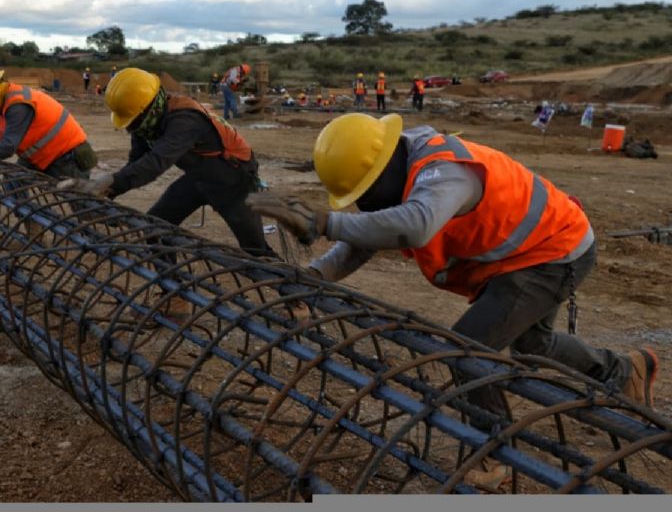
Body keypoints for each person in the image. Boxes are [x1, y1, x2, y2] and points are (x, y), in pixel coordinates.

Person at [248, 112, 660, 435]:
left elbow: (416, 224)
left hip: (553, 251)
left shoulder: (444, 172)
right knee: (534, 346)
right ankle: (623, 370)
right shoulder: (402, 172)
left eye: (368, 192)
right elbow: (365, 238)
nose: (367, 205)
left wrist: (324, 223)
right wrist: (315, 276)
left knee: (469, 348)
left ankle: (493, 444)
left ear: (388, 161)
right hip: (523, 253)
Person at [58, 67, 274, 259]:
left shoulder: (185, 120)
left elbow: (155, 163)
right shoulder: (144, 124)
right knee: (156, 230)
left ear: (149, 107)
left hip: (233, 180)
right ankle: (176, 298)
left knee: (255, 251)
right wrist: (104, 191)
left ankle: (297, 300)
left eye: (134, 121)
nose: (131, 128)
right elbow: (137, 163)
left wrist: (106, 183)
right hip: (198, 178)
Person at [0, 67, 95, 180]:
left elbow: (7, 148)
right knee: (13, 180)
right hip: (46, 155)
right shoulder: (8, 100)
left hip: (66, 157)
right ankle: (30, 215)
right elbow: (9, 133)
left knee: (84, 206)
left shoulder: (18, 105)